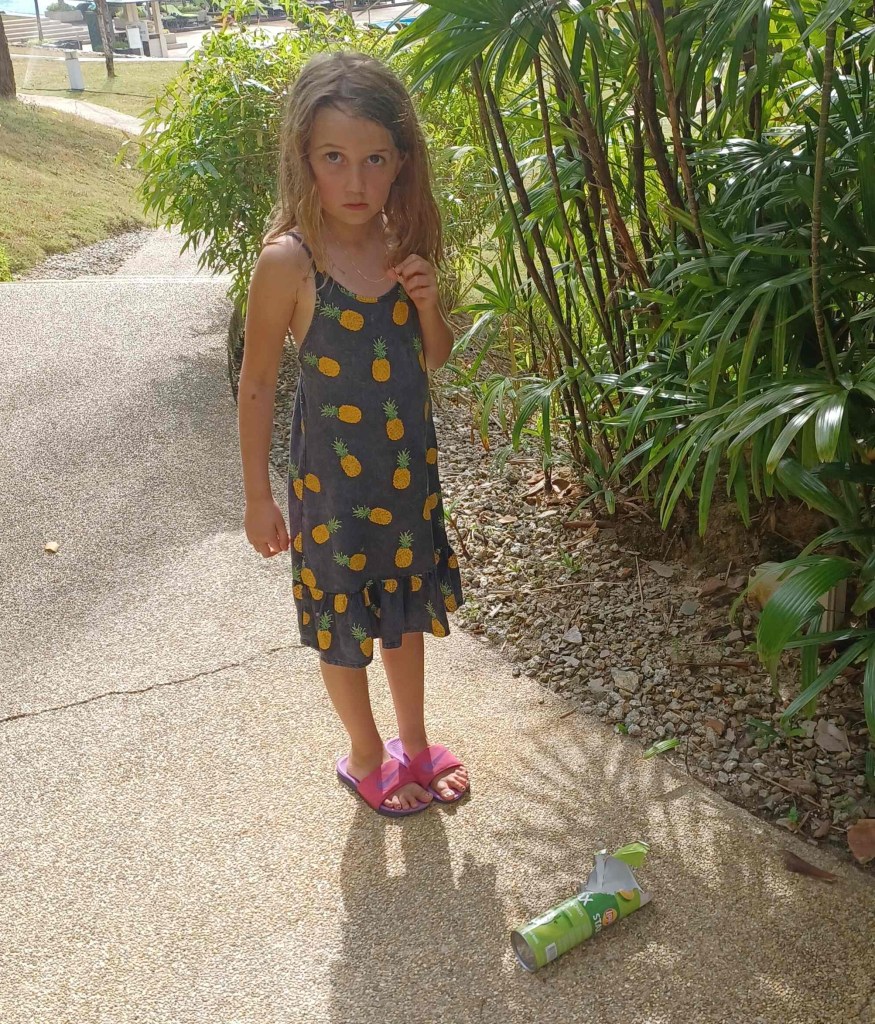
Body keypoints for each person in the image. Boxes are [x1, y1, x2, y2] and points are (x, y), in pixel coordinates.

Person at [238, 52, 470, 818]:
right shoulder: (289, 262)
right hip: (330, 488)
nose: (355, 182)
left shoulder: (400, 243)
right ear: (305, 157)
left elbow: (432, 357)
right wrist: (256, 498)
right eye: (334, 158)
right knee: (344, 619)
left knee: (402, 611)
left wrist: (430, 302)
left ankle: (413, 738)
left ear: (401, 162)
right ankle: (366, 754)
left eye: (375, 159)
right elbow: (259, 382)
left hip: (406, 478)